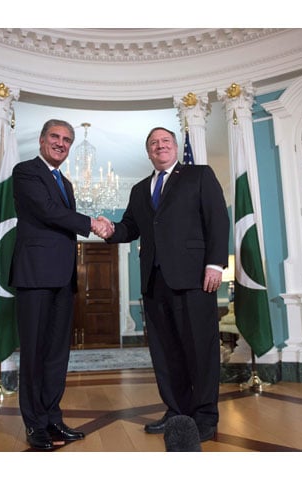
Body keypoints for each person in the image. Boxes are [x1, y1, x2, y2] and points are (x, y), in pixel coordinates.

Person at [98, 127, 229, 442]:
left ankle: (206, 417)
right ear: (148, 152)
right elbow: (130, 227)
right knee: (166, 352)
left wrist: (215, 263)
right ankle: (177, 413)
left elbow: (217, 219)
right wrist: (110, 229)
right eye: (154, 143)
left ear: (174, 147)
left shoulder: (199, 175)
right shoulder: (140, 189)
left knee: (201, 349)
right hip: (155, 282)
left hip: (195, 279)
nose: (160, 146)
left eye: (165, 141)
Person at [9, 119, 111, 450]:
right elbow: (46, 211)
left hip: (63, 280)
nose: (61, 143)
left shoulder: (66, 182)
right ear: (41, 141)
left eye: (67, 139)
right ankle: (34, 424)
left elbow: (60, 219)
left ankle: (53, 418)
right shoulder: (26, 171)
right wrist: (91, 223)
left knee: (56, 354)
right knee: (35, 353)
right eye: (55, 137)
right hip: (34, 275)